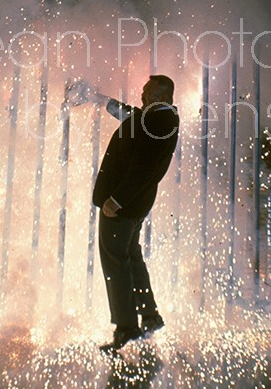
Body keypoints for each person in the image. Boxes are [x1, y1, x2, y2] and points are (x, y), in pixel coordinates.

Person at [92, 74, 179, 352]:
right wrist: (100, 100)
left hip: (123, 206)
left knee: (115, 262)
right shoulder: (155, 119)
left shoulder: (160, 120)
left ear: (162, 97)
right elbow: (132, 117)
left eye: (147, 92)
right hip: (133, 205)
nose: (142, 96)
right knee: (130, 257)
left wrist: (115, 201)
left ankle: (126, 327)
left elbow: (143, 169)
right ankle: (149, 315)